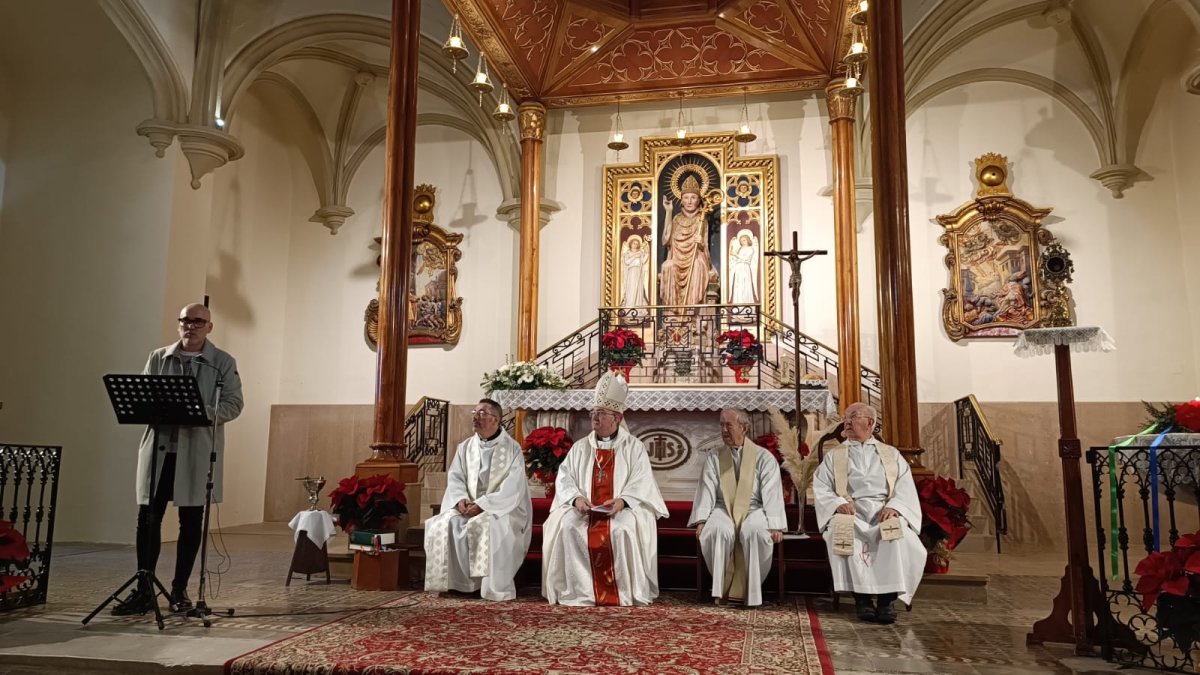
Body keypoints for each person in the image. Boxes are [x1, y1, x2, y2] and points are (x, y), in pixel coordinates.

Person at [113, 303, 243, 615]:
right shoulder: (159, 357)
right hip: (159, 448)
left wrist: (199, 413)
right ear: (178, 324)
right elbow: (142, 395)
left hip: (196, 450)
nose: (191, 326)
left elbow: (234, 404)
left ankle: (179, 588)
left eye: (199, 321)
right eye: (186, 320)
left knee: (190, 520)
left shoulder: (222, 362)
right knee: (148, 517)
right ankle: (144, 588)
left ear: (209, 327)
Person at [541, 371, 668, 606]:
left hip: (621, 509)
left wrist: (621, 502)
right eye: (593, 413)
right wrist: (577, 499)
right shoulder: (580, 447)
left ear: (618, 418)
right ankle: (582, 591)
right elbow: (565, 477)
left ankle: (623, 591)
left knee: (623, 530)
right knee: (568, 526)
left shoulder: (634, 447)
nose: (595, 417)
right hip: (585, 509)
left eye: (601, 413)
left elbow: (641, 481)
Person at [812, 402, 925, 624]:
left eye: (854, 416)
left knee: (898, 535)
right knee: (841, 530)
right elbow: (821, 486)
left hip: (884, 510)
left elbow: (904, 486)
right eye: (846, 417)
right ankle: (862, 600)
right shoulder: (835, 455)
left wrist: (895, 507)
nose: (847, 421)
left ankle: (886, 601)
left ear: (870, 423)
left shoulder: (891, 454)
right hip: (851, 512)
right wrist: (837, 503)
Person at [424, 398, 531, 601]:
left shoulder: (512, 448)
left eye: (482, 413)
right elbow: (456, 477)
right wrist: (460, 500)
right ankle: (457, 583)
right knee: (444, 523)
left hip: (500, 508)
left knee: (490, 526)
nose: (475, 417)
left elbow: (513, 486)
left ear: (496, 420)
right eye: (475, 412)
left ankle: (485, 585)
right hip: (468, 505)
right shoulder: (465, 447)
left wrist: (483, 505)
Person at [689, 408, 786, 607]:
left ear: (744, 428)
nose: (724, 430)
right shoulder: (714, 456)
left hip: (754, 508)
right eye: (721, 425)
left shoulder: (764, 457)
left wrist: (775, 524)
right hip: (722, 507)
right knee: (716, 531)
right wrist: (701, 520)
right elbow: (706, 489)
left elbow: (772, 492)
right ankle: (721, 590)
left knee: (757, 532)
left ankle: (750, 591)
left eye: (729, 425)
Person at [659, 175, 718, 306]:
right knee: (667, 266)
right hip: (677, 258)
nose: (689, 201)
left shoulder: (701, 220)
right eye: (686, 197)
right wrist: (668, 212)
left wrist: (701, 242)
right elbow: (665, 240)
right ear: (681, 200)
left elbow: (705, 249)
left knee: (697, 266)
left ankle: (692, 313)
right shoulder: (676, 219)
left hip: (696, 258)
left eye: (693, 197)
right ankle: (673, 316)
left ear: (698, 200)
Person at [727, 231, 759, 305]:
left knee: (745, 286)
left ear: (748, 240)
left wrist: (735, 255)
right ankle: (738, 306)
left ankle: (746, 306)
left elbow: (745, 258)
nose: (742, 242)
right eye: (741, 241)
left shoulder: (750, 249)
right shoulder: (740, 249)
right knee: (738, 286)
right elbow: (737, 259)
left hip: (745, 268)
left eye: (744, 240)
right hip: (738, 268)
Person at [621, 235, 650, 307]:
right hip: (631, 272)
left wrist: (647, 252)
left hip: (638, 272)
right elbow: (627, 262)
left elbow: (643, 261)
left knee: (639, 288)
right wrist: (635, 256)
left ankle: (637, 305)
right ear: (630, 244)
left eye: (637, 244)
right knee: (631, 288)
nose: (635, 245)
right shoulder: (627, 253)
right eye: (634, 243)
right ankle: (630, 305)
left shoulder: (640, 253)